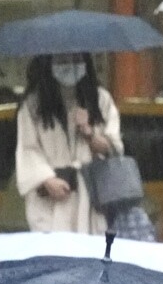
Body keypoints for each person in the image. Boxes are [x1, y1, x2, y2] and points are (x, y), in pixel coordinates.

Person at [15, 53, 123, 234]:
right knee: (54, 256)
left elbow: (114, 147)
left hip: (91, 196)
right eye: (62, 61)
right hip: (51, 200)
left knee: (90, 254)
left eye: (76, 60)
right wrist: (46, 180)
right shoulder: (33, 105)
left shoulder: (100, 99)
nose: (70, 66)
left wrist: (89, 134)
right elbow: (27, 149)